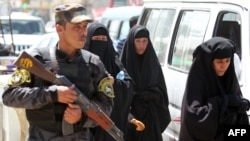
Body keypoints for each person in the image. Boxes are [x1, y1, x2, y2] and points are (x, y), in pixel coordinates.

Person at [2, 3, 114, 141]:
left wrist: (82, 117)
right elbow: (9, 96)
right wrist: (52, 94)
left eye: (85, 27)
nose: (83, 33)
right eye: (76, 27)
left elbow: (107, 106)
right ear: (59, 29)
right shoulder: (38, 60)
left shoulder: (94, 64)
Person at [179, 37, 250, 141]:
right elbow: (194, 118)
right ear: (209, 62)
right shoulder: (198, 82)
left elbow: (239, 130)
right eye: (219, 62)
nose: (224, 66)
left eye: (227, 61)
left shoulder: (229, 80)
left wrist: (240, 106)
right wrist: (224, 102)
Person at [84, 22, 144, 141]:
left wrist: (114, 84)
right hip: (87, 123)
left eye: (103, 39)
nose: (100, 42)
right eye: (96, 39)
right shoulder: (81, 61)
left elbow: (129, 84)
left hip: (111, 124)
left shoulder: (114, 61)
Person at [120, 25, 171, 141]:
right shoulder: (123, 65)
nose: (141, 45)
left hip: (150, 117)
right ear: (132, 42)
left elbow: (162, 91)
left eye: (144, 41)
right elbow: (120, 94)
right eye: (138, 41)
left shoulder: (153, 63)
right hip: (130, 117)